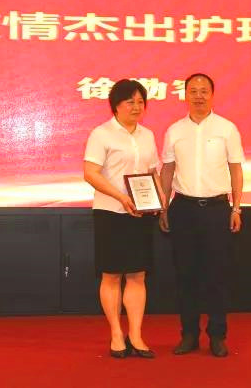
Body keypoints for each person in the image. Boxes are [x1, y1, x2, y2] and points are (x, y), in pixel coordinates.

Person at [159, 73, 244, 358]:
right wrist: (163, 206)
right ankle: (189, 335)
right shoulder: (174, 130)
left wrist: (236, 207)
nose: (198, 95)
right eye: (193, 91)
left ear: (212, 94)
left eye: (204, 90)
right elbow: (168, 170)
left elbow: (236, 170)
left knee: (217, 275)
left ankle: (217, 335)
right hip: (183, 209)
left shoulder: (227, 129)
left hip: (217, 210)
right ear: (185, 95)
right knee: (186, 275)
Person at [83, 79, 164, 359]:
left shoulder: (147, 135)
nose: (136, 107)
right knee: (112, 274)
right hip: (111, 213)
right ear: (115, 105)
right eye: (130, 102)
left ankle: (136, 335)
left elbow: (152, 173)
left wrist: (160, 200)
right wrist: (121, 197)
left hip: (140, 214)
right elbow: (90, 173)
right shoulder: (101, 134)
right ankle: (117, 334)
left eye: (141, 102)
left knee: (138, 274)